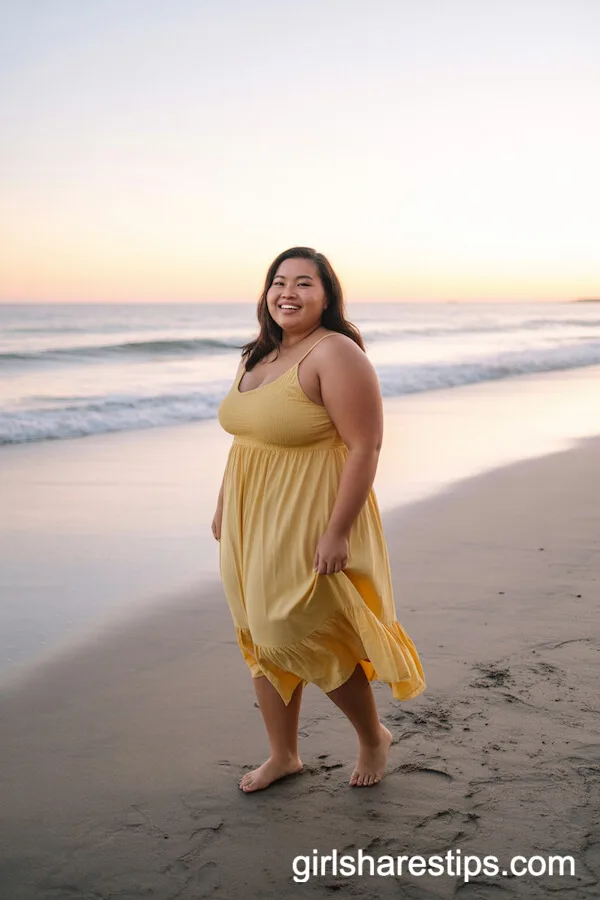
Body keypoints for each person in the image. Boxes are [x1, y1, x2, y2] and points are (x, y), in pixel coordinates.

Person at [213, 247, 425, 793]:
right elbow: (247, 438)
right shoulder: (257, 354)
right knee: (258, 634)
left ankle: (373, 734)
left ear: (327, 296)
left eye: (305, 283)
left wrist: (337, 531)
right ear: (266, 293)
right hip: (247, 516)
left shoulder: (337, 354)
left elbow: (365, 447)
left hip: (310, 513)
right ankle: (283, 755)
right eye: (279, 282)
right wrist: (222, 505)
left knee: (293, 629)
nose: (289, 292)